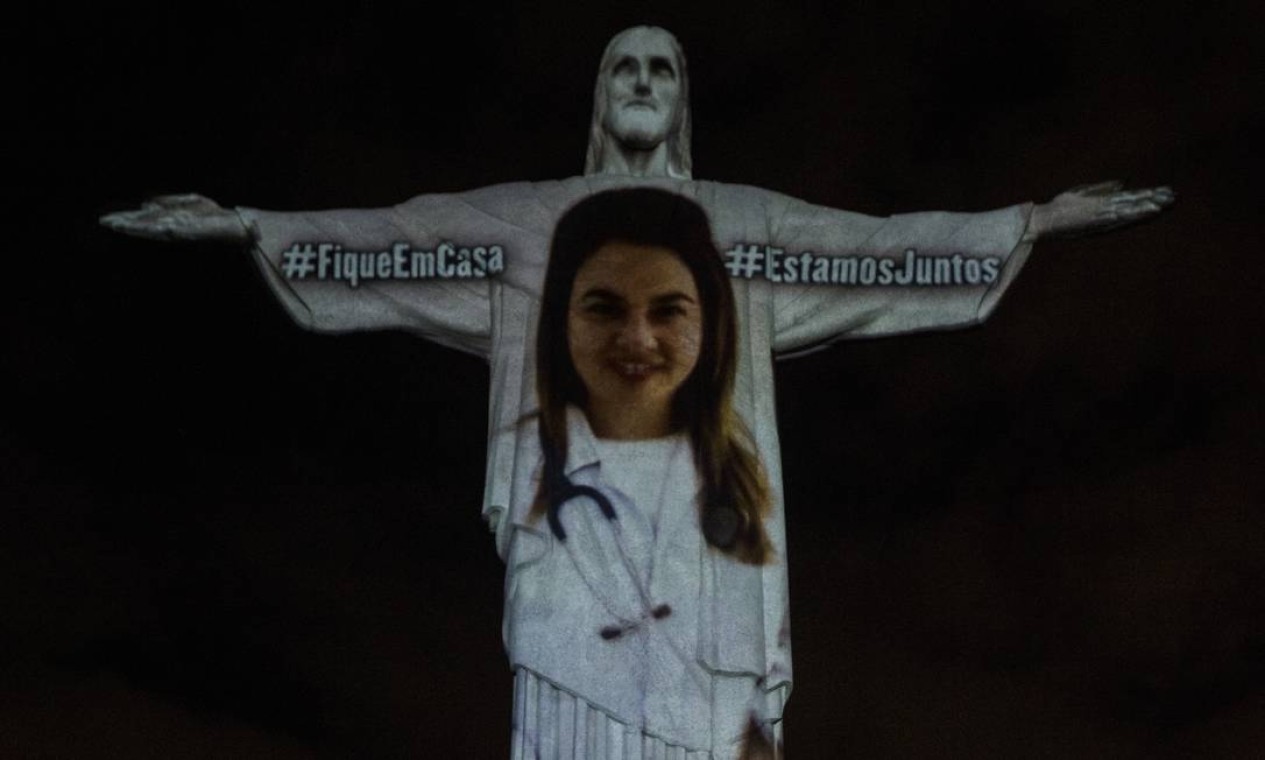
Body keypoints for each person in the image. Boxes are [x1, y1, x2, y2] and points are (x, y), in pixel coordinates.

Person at [100, 25, 1173, 756]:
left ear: (683, 96)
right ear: (600, 96)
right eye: (626, 72)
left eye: (662, 71)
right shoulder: (525, 222)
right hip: (566, 527)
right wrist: (252, 227)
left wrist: (1026, 224)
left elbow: (879, 253)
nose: (644, 89)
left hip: (707, 536)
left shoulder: (739, 225)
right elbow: (393, 238)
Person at [510, 187, 776, 756]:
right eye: (604, 308)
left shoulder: (747, 484)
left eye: (668, 311)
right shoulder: (516, 465)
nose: (637, 339)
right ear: (562, 316)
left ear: (710, 320)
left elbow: (761, 691)